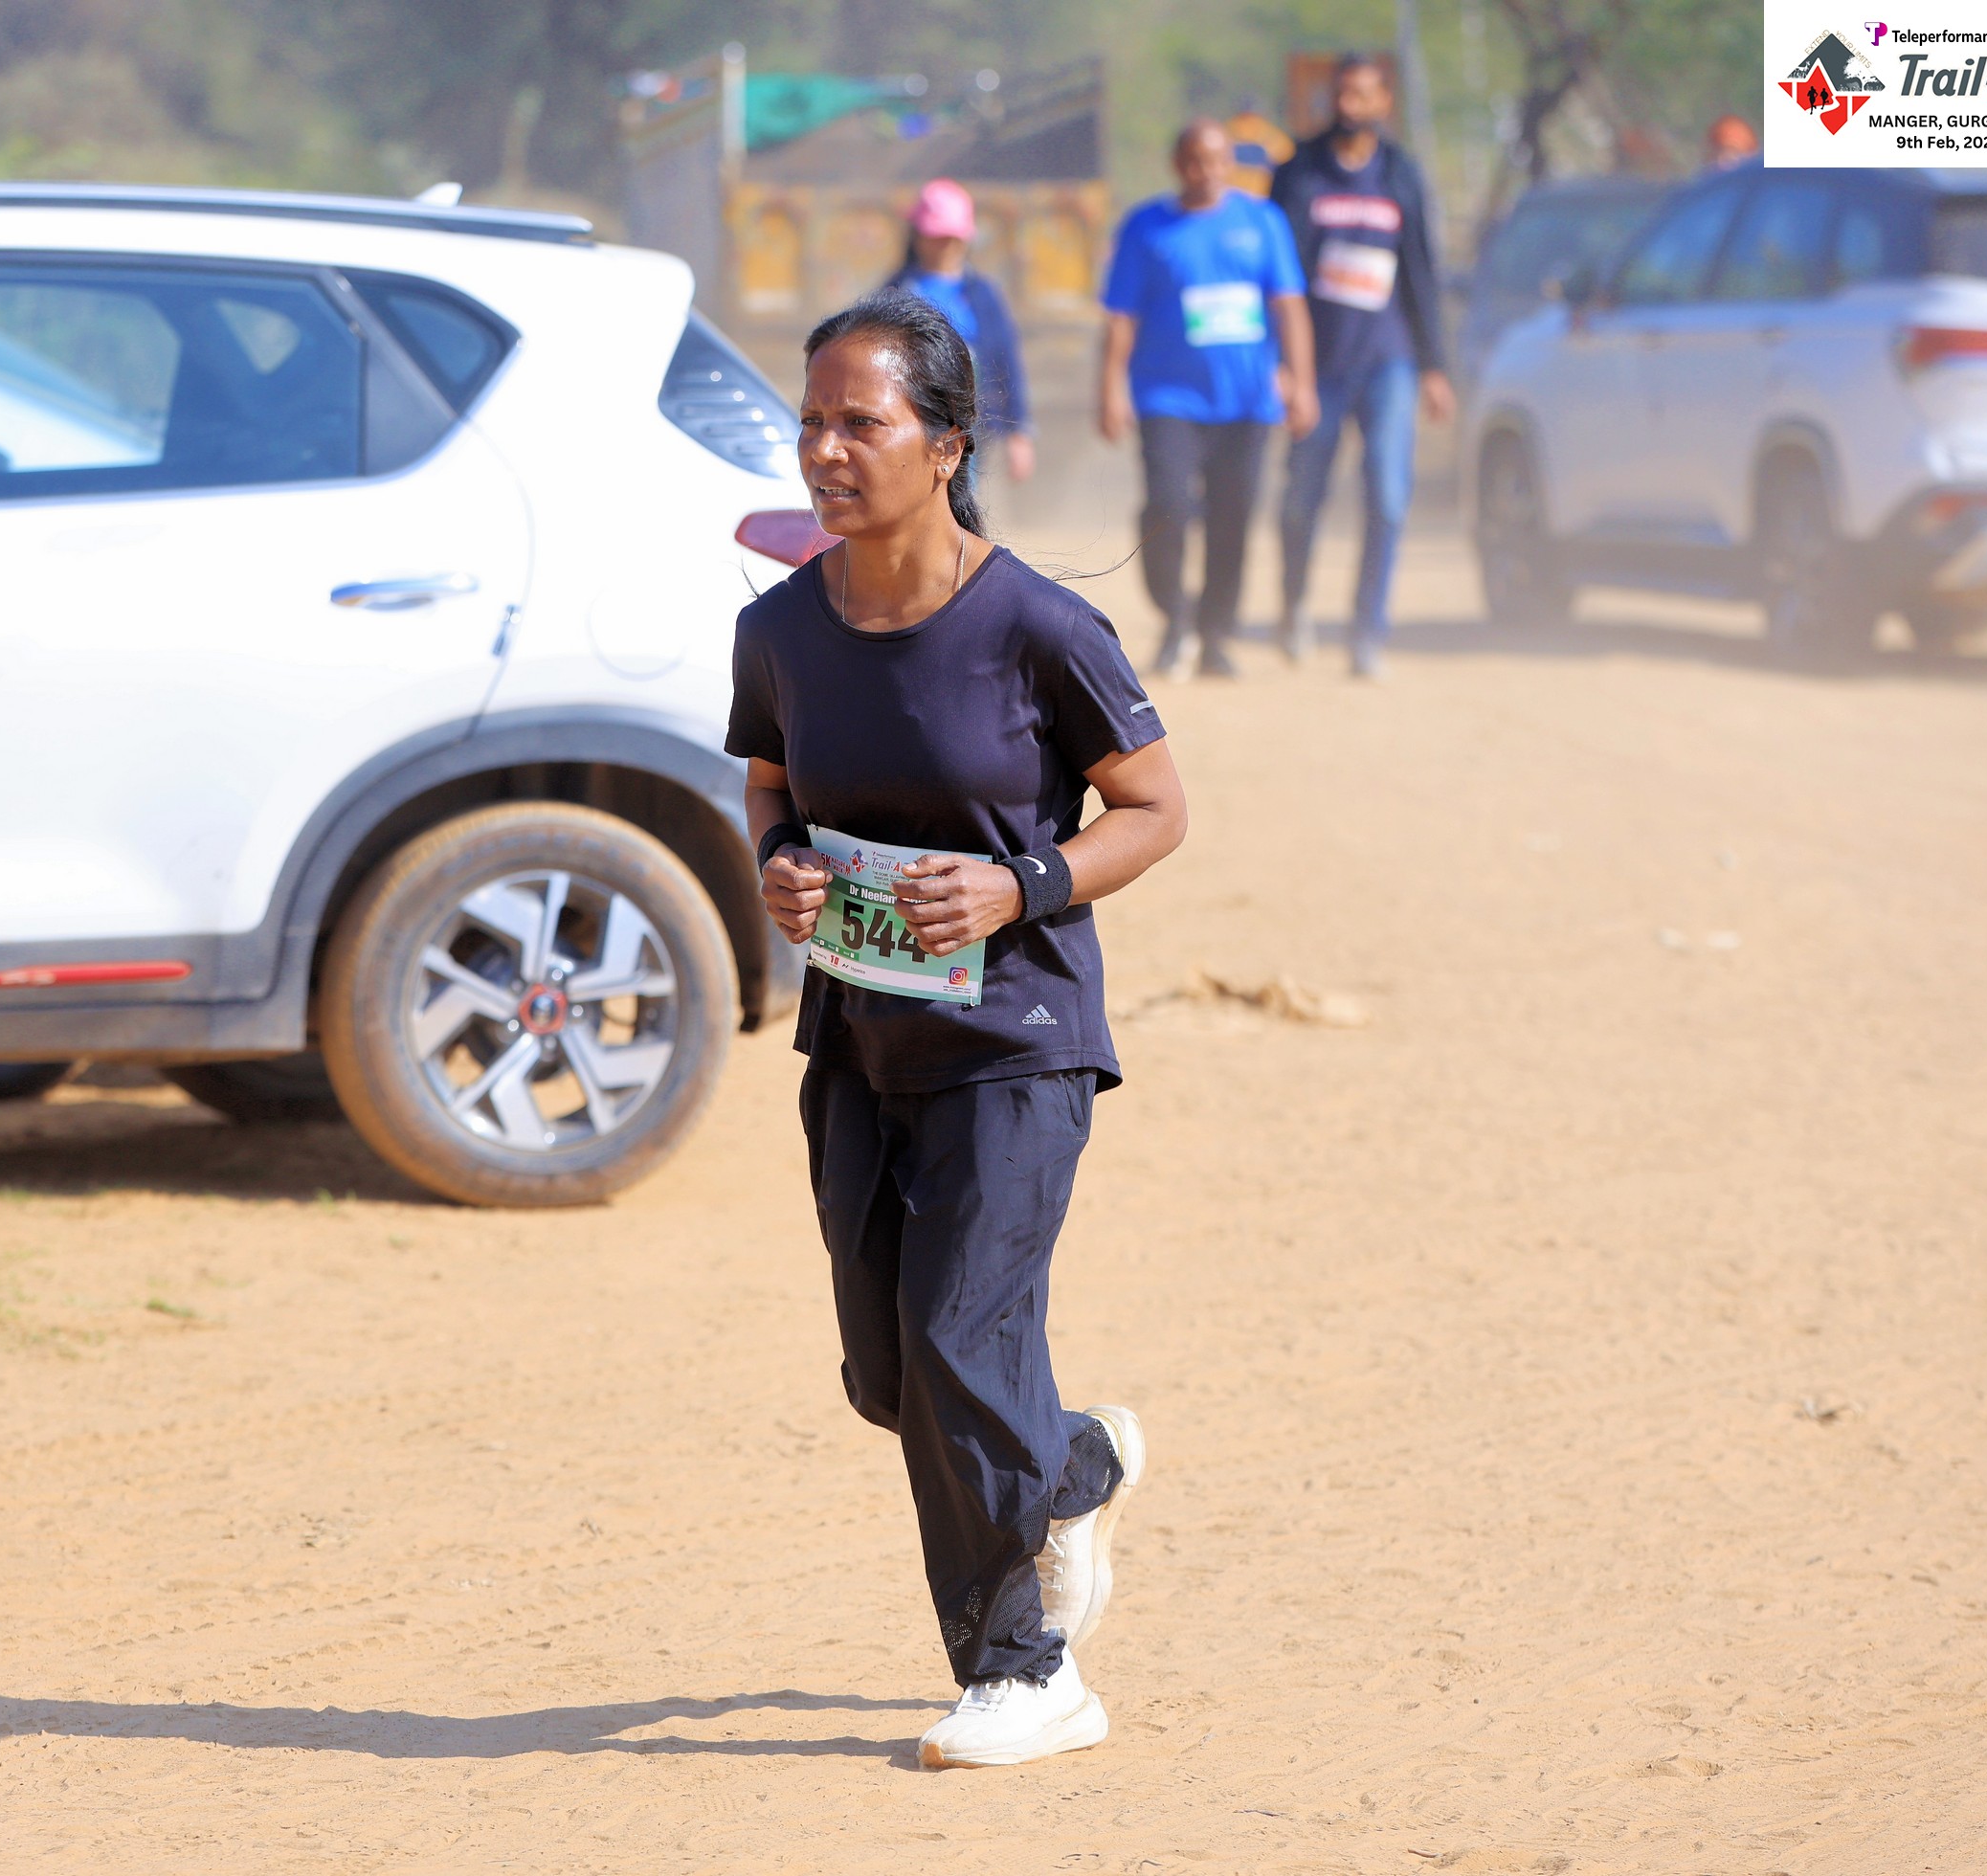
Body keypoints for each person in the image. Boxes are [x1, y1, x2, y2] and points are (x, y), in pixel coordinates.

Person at [730, 289, 1187, 1769]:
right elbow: (769, 786)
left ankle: (1025, 1674)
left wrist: (1017, 886)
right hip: (860, 1043)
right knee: (893, 1380)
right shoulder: (779, 629)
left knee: (954, 1343)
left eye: (859, 422)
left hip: (1018, 1040)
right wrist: (780, 863)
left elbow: (1155, 808)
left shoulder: (1037, 626)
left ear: (945, 445)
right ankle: (1078, 1462)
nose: (826, 449)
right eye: (811, 421)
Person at [1099, 120, 1318, 681]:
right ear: (1178, 165)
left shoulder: (1263, 221)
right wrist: (1110, 388)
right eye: (1195, 160)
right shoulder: (1146, 227)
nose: (1207, 171)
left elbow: (1289, 306)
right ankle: (1176, 618)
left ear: (1230, 163)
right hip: (1168, 398)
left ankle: (1216, 634)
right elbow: (1122, 315)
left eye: (1217, 160)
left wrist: (1302, 383)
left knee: (1233, 519)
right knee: (1168, 507)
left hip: (1247, 403)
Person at [1270, 54, 1454, 680]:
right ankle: (1294, 606)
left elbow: (1422, 272)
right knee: (1302, 499)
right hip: (1316, 365)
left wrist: (1435, 367)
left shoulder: (1401, 174)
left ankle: (1368, 631)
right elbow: (1278, 276)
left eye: (1363, 94)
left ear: (1383, 102)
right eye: (1342, 93)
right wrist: (1282, 363)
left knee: (1390, 497)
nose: (1350, 105)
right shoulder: (1299, 172)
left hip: (1388, 363)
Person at [888, 178, 1034, 485]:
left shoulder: (983, 295)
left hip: (971, 421)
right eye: (936, 237)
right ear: (918, 237)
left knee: (961, 493)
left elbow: (1006, 360)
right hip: (911, 420)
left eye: (951, 238)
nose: (944, 247)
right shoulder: (895, 293)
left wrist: (1018, 431)